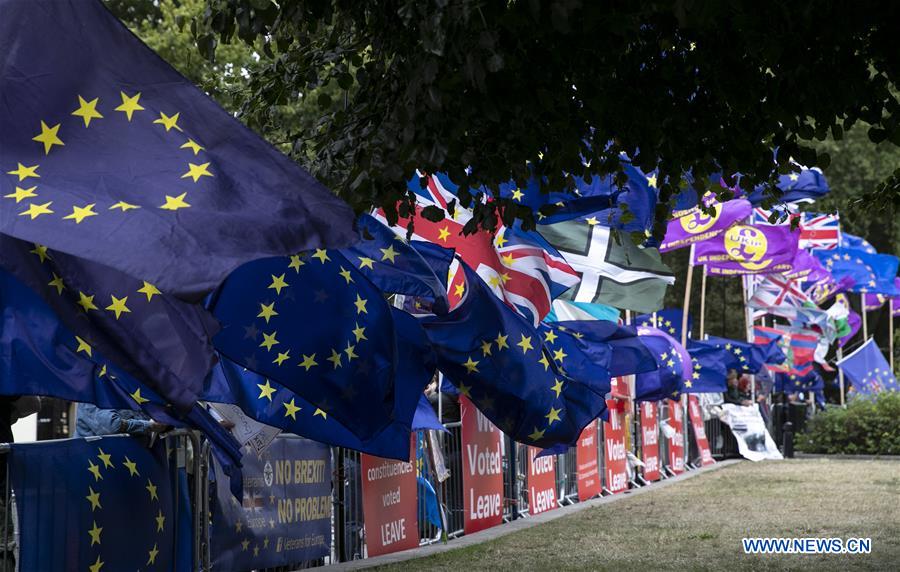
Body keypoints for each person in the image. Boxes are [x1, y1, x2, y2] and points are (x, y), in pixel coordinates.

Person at [73, 402, 169, 438]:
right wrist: (150, 426)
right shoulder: (91, 395)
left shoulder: (126, 393)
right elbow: (111, 426)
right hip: (94, 465)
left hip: (127, 464)